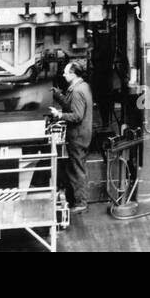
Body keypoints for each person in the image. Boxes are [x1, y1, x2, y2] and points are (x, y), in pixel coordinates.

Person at [50, 61, 93, 214]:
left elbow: (77, 115)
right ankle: (78, 198)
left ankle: (81, 203)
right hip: (82, 135)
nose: (63, 74)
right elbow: (71, 105)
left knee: (77, 169)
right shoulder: (82, 86)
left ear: (73, 75)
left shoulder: (76, 92)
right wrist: (59, 95)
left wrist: (59, 115)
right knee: (75, 167)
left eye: (66, 73)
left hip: (78, 137)